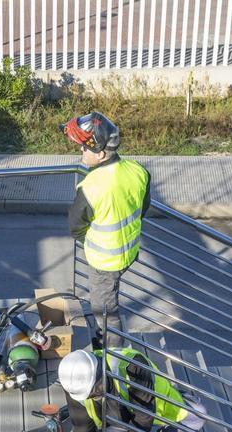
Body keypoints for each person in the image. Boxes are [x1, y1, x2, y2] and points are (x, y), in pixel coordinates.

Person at [54, 346, 205, 432]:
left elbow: (144, 415)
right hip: (117, 416)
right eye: (89, 396)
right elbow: (81, 427)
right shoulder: (74, 384)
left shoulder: (131, 366)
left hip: (153, 406)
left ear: (100, 373)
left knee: (197, 416)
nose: (93, 397)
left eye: (95, 392)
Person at [63, 112, 151, 347]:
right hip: (129, 253)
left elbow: (76, 226)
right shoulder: (138, 171)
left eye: (84, 149)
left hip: (104, 261)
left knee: (104, 310)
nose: (81, 152)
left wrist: (90, 241)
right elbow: (143, 207)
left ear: (100, 154)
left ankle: (112, 354)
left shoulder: (91, 187)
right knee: (110, 298)